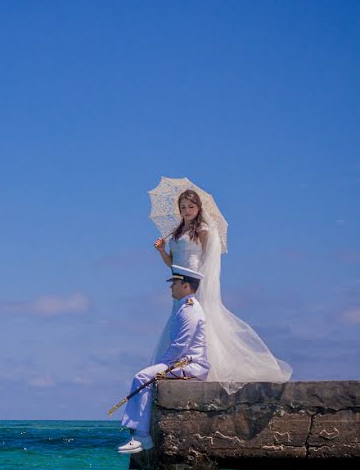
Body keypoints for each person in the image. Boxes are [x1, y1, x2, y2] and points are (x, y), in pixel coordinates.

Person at [151, 190, 291, 393]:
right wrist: (161, 250)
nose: (186, 211)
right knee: (179, 321)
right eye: (182, 207)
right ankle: (179, 367)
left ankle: (198, 367)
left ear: (198, 208)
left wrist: (198, 284)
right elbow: (172, 263)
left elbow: (208, 259)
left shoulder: (202, 229)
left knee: (196, 321)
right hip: (179, 282)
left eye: (190, 206)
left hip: (194, 280)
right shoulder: (176, 232)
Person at [118, 266, 210, 454]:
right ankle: (143, 438)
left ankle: (141, 436)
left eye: (174, 283)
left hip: (191, 365)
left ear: (185, 286)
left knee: (142, 377)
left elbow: (180, 345)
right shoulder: (186, 307)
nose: (171, 288)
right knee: (144, 376)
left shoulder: (190, 309)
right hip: (185, 362)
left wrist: (163, 366)